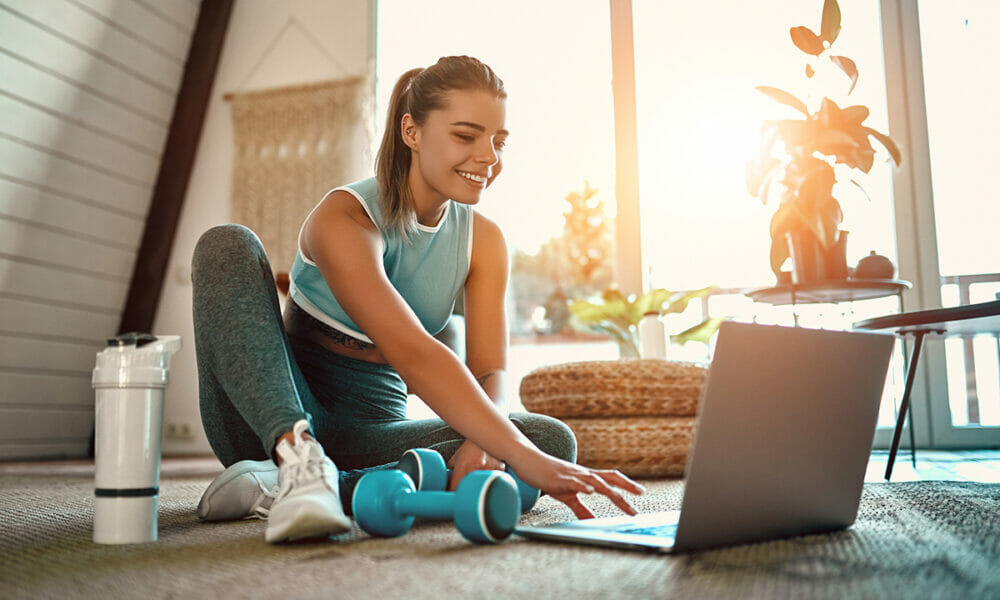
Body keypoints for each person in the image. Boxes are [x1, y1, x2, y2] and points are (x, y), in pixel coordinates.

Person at [191, 55, 643, 544]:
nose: (489, 156)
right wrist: (522, 459)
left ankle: (299, 487)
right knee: (227, 243)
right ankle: (295, 462)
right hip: (270, 416)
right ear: (412, 132)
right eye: (466, 136)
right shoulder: (345, 216)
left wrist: (483, 441)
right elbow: (412, 350)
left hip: (372, 430)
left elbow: (489, 371)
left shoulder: (484, 241)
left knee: (549, 440)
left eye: (498, 141)